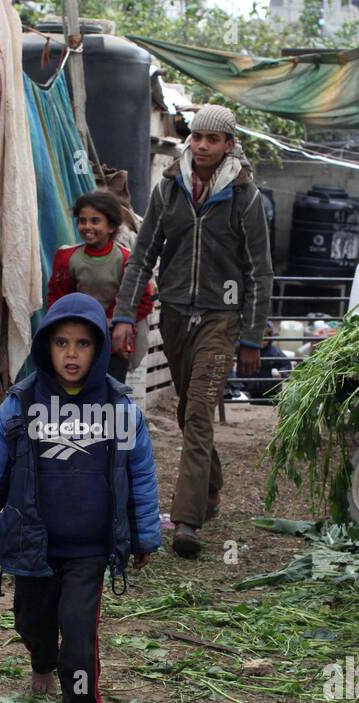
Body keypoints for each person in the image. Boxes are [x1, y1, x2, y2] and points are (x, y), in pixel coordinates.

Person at [0, 293, 161, 703]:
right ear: (46, 345)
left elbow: (140, 478)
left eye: (83, 344)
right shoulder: (22, 406)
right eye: (61, 342)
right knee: (31, 619)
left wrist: (144, 537)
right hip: (33, 542)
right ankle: (41, 660)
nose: (71, 353)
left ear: (99, 348)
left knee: (79, 630)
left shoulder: (119, 410)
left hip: (89, 548)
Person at [114, 103, 274, 559]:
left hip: (222, 318)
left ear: (228, 145)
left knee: (200, 411)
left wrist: (252, 335)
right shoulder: (169, 189)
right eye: (197, 138)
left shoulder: (245, 196)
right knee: (189, 413)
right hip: (177, 315)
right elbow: (143, 254)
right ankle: (211, 488)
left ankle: (186, 521)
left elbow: (260, 271)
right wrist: (125, 314)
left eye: (212, 140)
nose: (202, 146)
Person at [46, 190, 156, 382]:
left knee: (108, 397)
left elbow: (144, 299)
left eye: (95, 221)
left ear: (112, 226)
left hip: (114, 343)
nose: (87, 227)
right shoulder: (67, 258)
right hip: (76, 341)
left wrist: (114, 320)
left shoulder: (126, 260)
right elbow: (58, 297)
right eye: (82, 221)